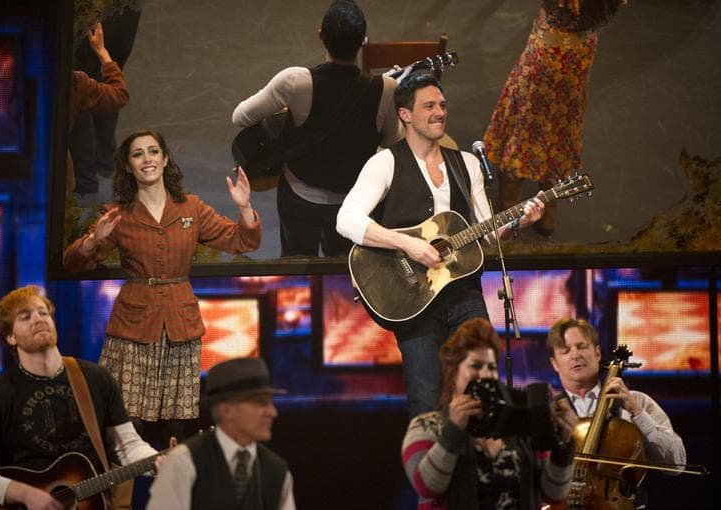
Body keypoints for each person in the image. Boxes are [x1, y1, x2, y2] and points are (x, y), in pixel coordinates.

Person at [336, 72, 545, 417]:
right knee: (426, 398)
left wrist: (517, 223)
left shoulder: (467, 164)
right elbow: (346, 219)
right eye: (429, 106)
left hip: (464, 293)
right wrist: (407, 244)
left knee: (483, 390)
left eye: (443, 105)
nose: (439, 112)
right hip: (413, 299)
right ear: (405, 115)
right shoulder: (385, 162)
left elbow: (488, 233)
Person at [63, 130, 262, 448]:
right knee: (128, 422)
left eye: (153, 152)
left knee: (176, 425)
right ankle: (124, 496)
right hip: (134, 327)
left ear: (165, 159)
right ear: (128, 166)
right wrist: (92, 242)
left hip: (180, 325)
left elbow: (242, 240)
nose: (147, 159)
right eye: (138, 154)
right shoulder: (118, 214)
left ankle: (172, 490)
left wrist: (245, 208)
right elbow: (73, 263)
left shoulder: (191, 209)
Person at [0, 285, 159, 509]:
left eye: (43, 313)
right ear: (10, 337)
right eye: (25, 317)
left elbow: (128, 447)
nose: (38, 319)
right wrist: (25, 494)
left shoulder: (95, 378)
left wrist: (160, 462)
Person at [232, 0, 403, 257]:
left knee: (296, 260)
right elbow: (392, 142)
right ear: (363, 41)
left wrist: (286, 111)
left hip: (299, 196)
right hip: (353, 202)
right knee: (344, 267)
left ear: (320, 34)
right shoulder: (386, 89)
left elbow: (240, 117)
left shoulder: (295, 82)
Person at [483, 0, 627, 236]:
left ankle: (512, 196)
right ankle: (548, 198)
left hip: (551, 50)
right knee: (561, 118)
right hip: (580, 48)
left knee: (528, 115)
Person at [402, 318, 577, 509]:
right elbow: (427, 487)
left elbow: (554, 495)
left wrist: (563, 445)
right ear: (453, 374)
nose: (485, 374)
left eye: (491, 367)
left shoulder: (521, 426)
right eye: (476, 366)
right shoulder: (427, 426)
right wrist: (453, 430)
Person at [546, 317, 687, 502]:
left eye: (581, 347)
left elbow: (676, 463)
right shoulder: (548, 412)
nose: (575, 355)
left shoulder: (636, 401)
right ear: (554, 363)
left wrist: (637, 413)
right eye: (565, 351)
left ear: (597, 353)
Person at [146, 357, 295, 510]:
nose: (272, 412)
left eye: (271, 403)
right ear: (226, 410)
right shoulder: (184, 462)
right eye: (260, 402)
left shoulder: (278, 471)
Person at [69, 7, 141, 198]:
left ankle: (85, 179)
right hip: (122, 13)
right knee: (105, 78)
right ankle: (105, 158)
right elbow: (117, 93)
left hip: (94, 15)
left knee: (79, 89)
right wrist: (103, 53)